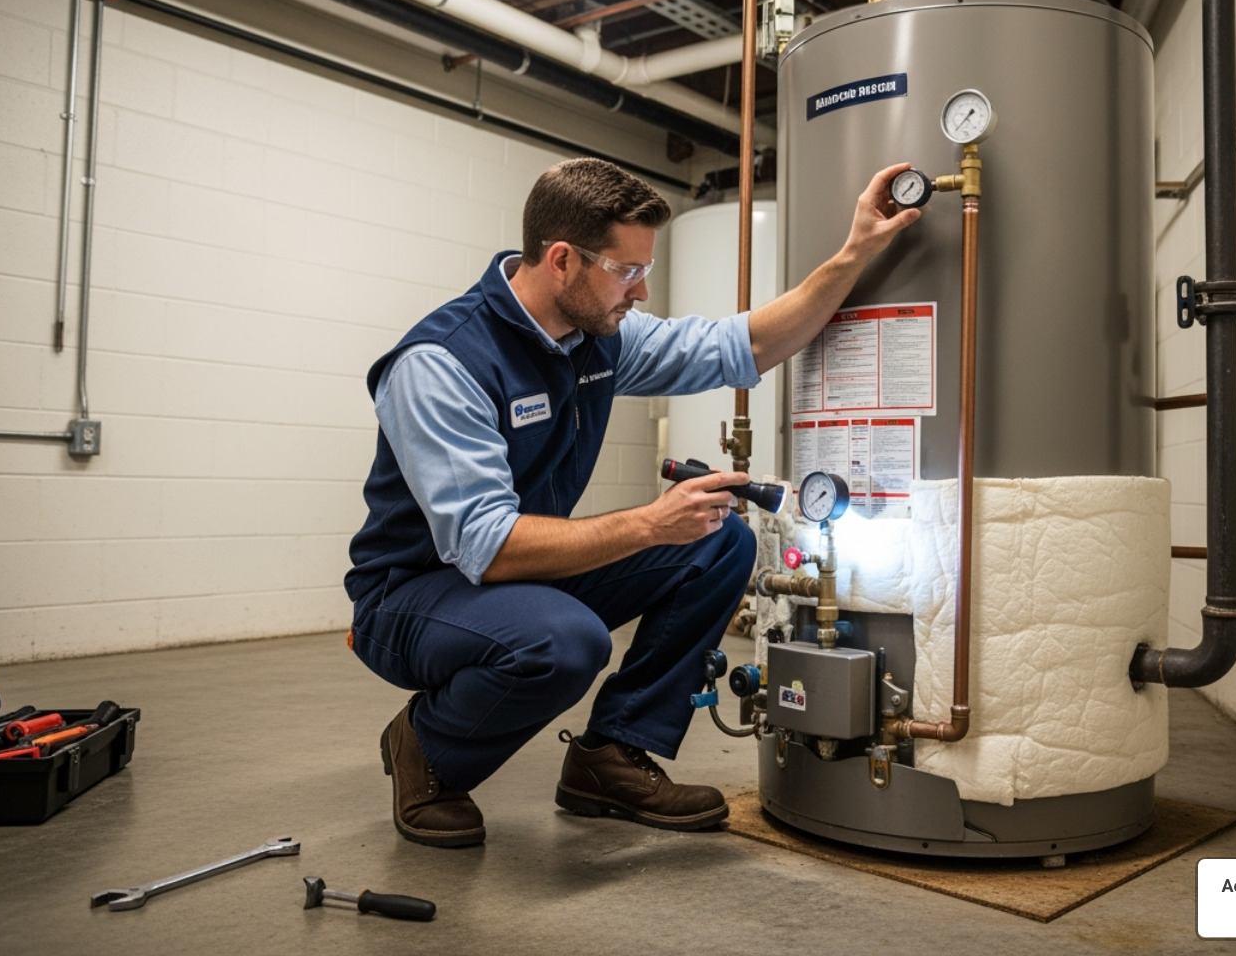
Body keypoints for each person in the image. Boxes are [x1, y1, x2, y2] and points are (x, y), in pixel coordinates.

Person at [344, 157, 920, 847]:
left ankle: (610, 754)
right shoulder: (442, 365)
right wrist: (649, 524)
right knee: (564, 642)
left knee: (717, 539)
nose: (642, 290)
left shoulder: (597, 338)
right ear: (562, 260)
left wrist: (856, 251)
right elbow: (487, 548)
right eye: (626, 271)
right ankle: (429, 750)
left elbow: (746, 343)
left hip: (512, 569)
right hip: (414, 596)